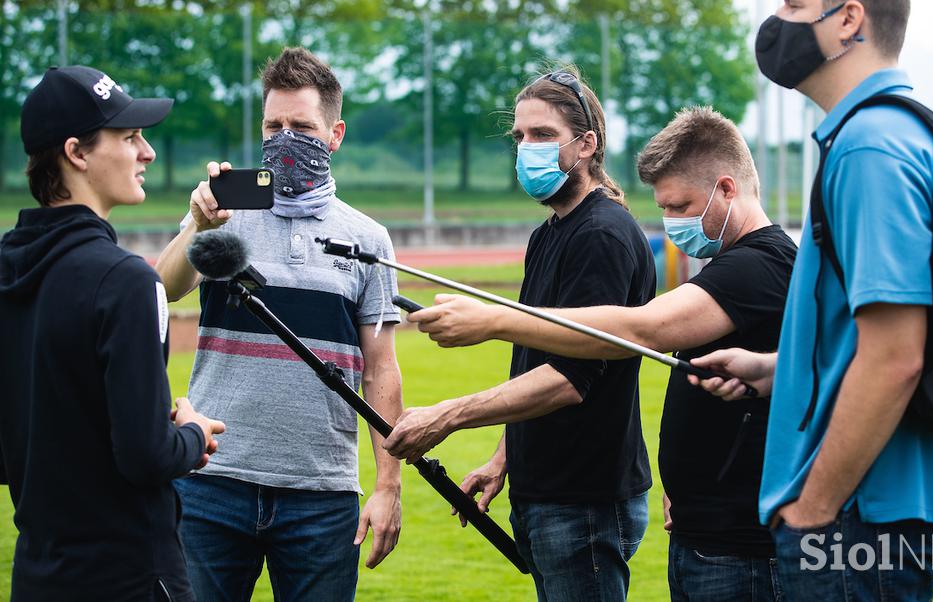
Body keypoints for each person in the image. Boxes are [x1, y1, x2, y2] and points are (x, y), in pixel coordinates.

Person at [410, 107, 796, 602]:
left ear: (727, 188)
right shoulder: (730, 265)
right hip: (706, 527)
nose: (672, 222)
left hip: (742, 543)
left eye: (681, 205)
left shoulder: (760, 265)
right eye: (664, 207)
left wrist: (494, 320)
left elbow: (644, 328)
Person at [692, 0, 933, 601]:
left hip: (858, 518)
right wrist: (774, 369)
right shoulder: (905, 131)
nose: (778, 25)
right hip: (885, 509)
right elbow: (876, 334)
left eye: (794, 5)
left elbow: (895, 357)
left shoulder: (871, 145)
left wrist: (814, 508)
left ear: (848, 20)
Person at [383, 68, 654, 601]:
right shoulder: (548, 234)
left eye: (543, 135)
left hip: (585, 501)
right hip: (549, 493)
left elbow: (570, 380)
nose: (526, 149)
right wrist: (504, 458)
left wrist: (448, 416)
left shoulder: (602, 234)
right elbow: (539, 359)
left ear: (587, 144)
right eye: (520, 137)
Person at [155, 47, 402, 601]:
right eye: (273, 125)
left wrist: (389, 486)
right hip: (212, 481)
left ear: (335, 134)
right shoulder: (224, 212)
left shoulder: (368, 239)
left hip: (320, 494)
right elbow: (166, 288)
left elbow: (382, 370)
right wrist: (196, 223)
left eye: (302, 126)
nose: (284, 137)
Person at [0, 65, 224, 601]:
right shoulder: (125, 281)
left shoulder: (8, 269)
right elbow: (146, 456)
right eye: (129, 137)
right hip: (129, 576)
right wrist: (191, 434)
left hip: (38, 573)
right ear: (77, 153)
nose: (146, 153)